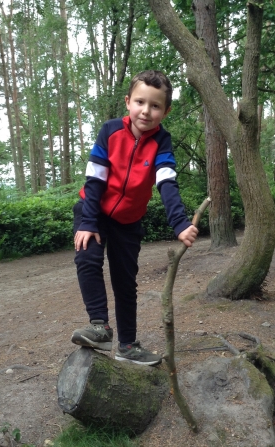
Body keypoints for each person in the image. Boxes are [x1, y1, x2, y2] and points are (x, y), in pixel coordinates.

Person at [71, 70, 199, 366]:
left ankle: (127, 346)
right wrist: (89, 221)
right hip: (94, 210)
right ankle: (99, 328)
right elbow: (95, 178)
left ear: (166, 111)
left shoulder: (162, 143)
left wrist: (180, 224)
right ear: (128, 102)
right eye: (140, 102)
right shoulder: (110, 131)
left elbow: (167, 183)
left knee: (125, 282)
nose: (146, 110)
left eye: (155, 106)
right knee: (87, 257)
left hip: (128, 222)